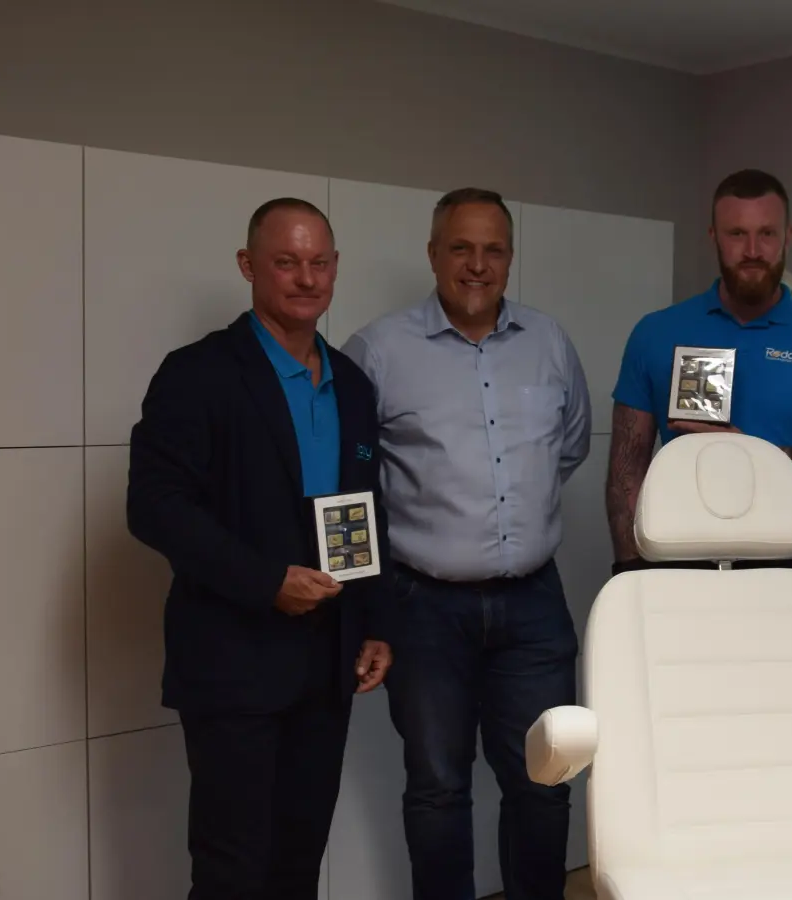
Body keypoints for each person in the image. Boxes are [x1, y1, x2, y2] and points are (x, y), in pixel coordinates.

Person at [127, 198, 393, 899]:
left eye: (319, 263)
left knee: (298, 860)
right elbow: (155, 507)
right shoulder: (197, 375)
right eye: (286, 262)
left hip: (327, 658)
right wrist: (265, 579)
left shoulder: (355, 386)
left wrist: (371, 625)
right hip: (232, 658)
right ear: (249, 266)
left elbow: (363, 513)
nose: (306, 278)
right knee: (232, 867)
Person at [340, 187, 591, 900]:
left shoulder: (549, 342)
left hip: (534, 610)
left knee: (545, 781)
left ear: (510, 258)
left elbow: (565, 450)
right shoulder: (378, 351)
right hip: (424, 609)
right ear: (432, 254)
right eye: (461, 247)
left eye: (493, 250)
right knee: (438, 787)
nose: (477, 265)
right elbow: (354, 475)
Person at [607, 169, 792, 572]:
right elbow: (626, 468)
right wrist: (630, 568)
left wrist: (753, 457)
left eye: (767, 234)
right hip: (676, 557)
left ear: (787, 237)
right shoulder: (656, 333)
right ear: (714, 237)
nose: (753, 249)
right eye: (737, 234)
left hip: (784, 557)